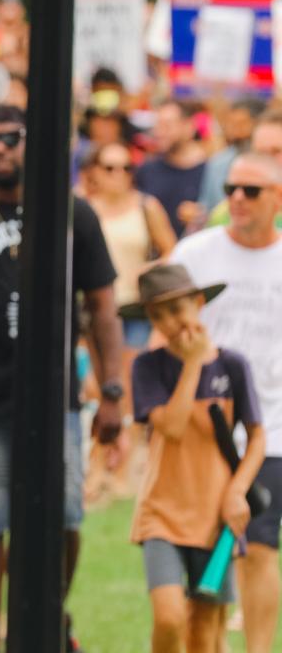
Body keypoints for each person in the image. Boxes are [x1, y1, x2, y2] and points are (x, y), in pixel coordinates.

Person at [0, 104, 125, 653]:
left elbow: (103, 307)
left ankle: (51, 617)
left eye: (11, 139)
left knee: (66, 515)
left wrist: (112, 393)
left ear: (31, 143)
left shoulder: (71, 213)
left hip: (55, 399)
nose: (0, 150)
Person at [121, 264, 266, 653]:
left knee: (204, 631)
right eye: (156, 315)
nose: (168, 323)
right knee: (168, 618)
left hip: (217, 515)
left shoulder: (233, 365)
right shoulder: (147, 367)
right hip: (161, 514)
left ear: (199, 303)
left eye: (176, 310)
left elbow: (256, 438)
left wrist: (237, 492)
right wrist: (192, 365)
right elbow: (171, 425)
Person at [170, 153, 282, 653]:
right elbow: (160, 323)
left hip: (272, 428)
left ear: (277, 200)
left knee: (258, 547)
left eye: (251, 191)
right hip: (201, 425)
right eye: (232, 188)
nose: (236, 197)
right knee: (202, 554)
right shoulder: (195, 254)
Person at [83, 142, 177, 351]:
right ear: (94, 171)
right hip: (94, 309)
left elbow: (173, 251)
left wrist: (152, 267)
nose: (118, 174)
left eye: (126, 168)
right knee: (94, 379)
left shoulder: (147, 206)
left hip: (136, 308)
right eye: (110, 168)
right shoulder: (84, 209)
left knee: (132, 373)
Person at [136, 101, 208, 238]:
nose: (159, 132)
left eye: (167, 126)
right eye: (157, 125)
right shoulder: (146, 170)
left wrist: (201, 217)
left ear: (189, 127)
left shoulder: (210, 172)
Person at [199, 98, 267, 213]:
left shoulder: (271, 162)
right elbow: (206, 206)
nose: (235, 131)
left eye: (241, 124)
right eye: (231, 123)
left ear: (259, 124)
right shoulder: (217, 163)